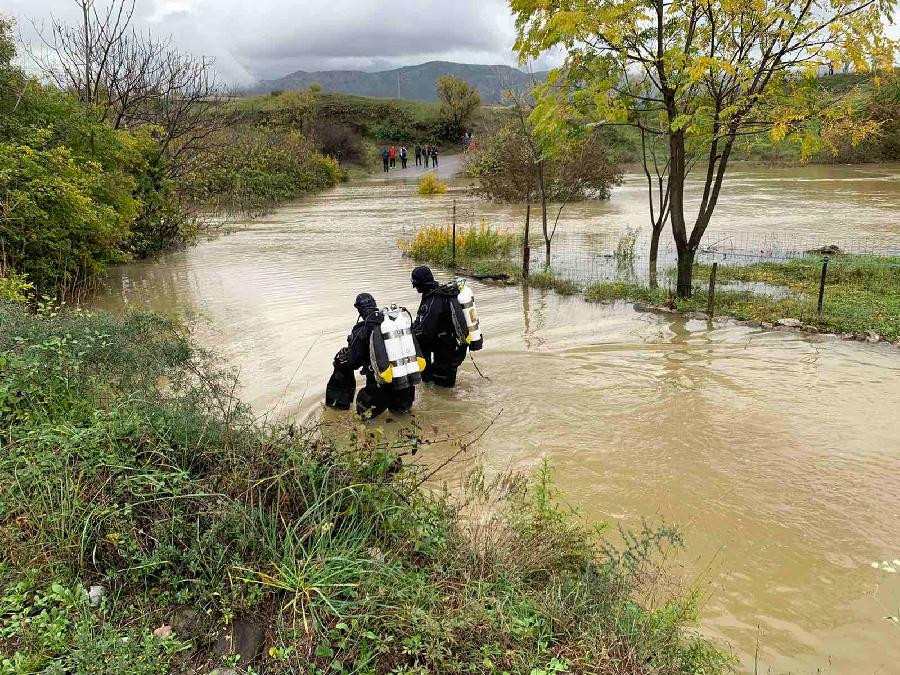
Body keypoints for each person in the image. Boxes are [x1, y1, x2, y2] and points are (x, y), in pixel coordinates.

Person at [326, 293, 416, 418]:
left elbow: (353, 362)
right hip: (405, 384)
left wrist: (343, 358)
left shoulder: (362, 328)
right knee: (403, 419)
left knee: (364, 420)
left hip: (379, 387)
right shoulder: (394, 322)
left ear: (358, 308)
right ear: (374, 303)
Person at [411, 266, 468, 388]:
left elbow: (426, 332)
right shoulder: (441, 292)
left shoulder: (432, 299)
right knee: (446, 384)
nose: (414, 287)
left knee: (443, 389)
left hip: (445, 349)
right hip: (454, 346)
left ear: (421, 283)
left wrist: (411, 334)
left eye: (415, 283)